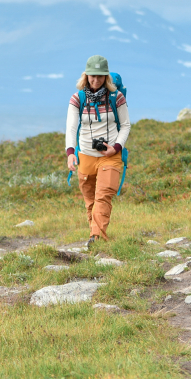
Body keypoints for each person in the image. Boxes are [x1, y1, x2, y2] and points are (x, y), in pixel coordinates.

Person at [65, 55, 131, 246]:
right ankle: (94, 235)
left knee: (103, 195)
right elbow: (71, 128)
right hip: (85, 154)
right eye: (92, 76)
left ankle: (96, 238)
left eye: (100, 76)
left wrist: (116, 147)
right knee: (91, 201)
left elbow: (125, 125)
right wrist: (70, 153)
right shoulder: (78, 99)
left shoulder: (116, 97)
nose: (96, 80)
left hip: (110, 156)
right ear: (86, 76)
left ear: (106, 77)